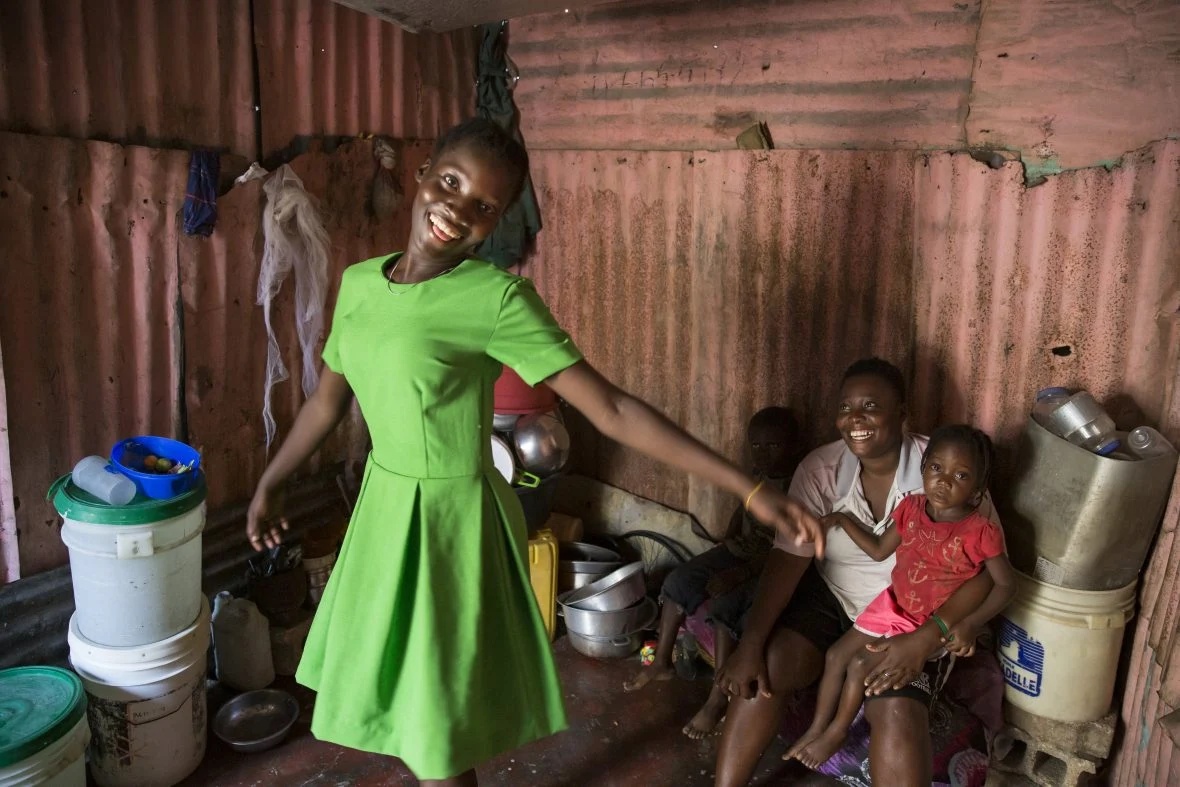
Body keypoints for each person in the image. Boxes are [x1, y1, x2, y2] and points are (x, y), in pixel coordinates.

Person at [244, 117, 824, 787]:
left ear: (495, 224)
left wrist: (747, 488)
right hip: (384, 514)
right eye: (452, 183)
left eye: (483, 206)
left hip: (449, 525)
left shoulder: (495, 299)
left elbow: (610, 408)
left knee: (436, 735)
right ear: (423, 171)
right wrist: (272, 480)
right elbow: (327, 400)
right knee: (406, 709)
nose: (456, 211)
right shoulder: (360, 284)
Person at [713, 358, 999, 787]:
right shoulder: (820, 470)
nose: (855, 419)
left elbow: (987, 574)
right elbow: (788, 561)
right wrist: (750, 644)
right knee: (769, 666)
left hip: (914, 616)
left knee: (897, 707)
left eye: (871, 406)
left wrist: (924, 640)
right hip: (833, 595)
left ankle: (845, 725)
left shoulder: (945, 469)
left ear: (903, 415)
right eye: (846, 407)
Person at [785, 424, 1016, 768]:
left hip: (925, 624)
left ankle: (837, 731)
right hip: (893, 605)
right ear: (923, 469)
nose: (944, 481)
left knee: (860, 664)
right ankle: (816, 727)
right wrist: (842, 521)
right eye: (936, 468)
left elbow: (1006, 585)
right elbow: (879, 550)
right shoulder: (911, 508)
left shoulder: (979, 532)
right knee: (836, 656)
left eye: (961, 475)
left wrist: (971, 623)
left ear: (978, 489)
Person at [624, 406, 804, 740]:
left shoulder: (801, 484)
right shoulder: (756, 474)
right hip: (740, 550)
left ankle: (718, 697)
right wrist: (725, 541)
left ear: (794, 446)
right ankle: (661, 661)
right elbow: (742, 508)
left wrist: (737, 574)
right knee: (678, 581)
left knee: (725, 607)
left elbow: (791, 552)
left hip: (771, 562)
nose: (763, 454)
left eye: (774, 446)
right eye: (757, 446)